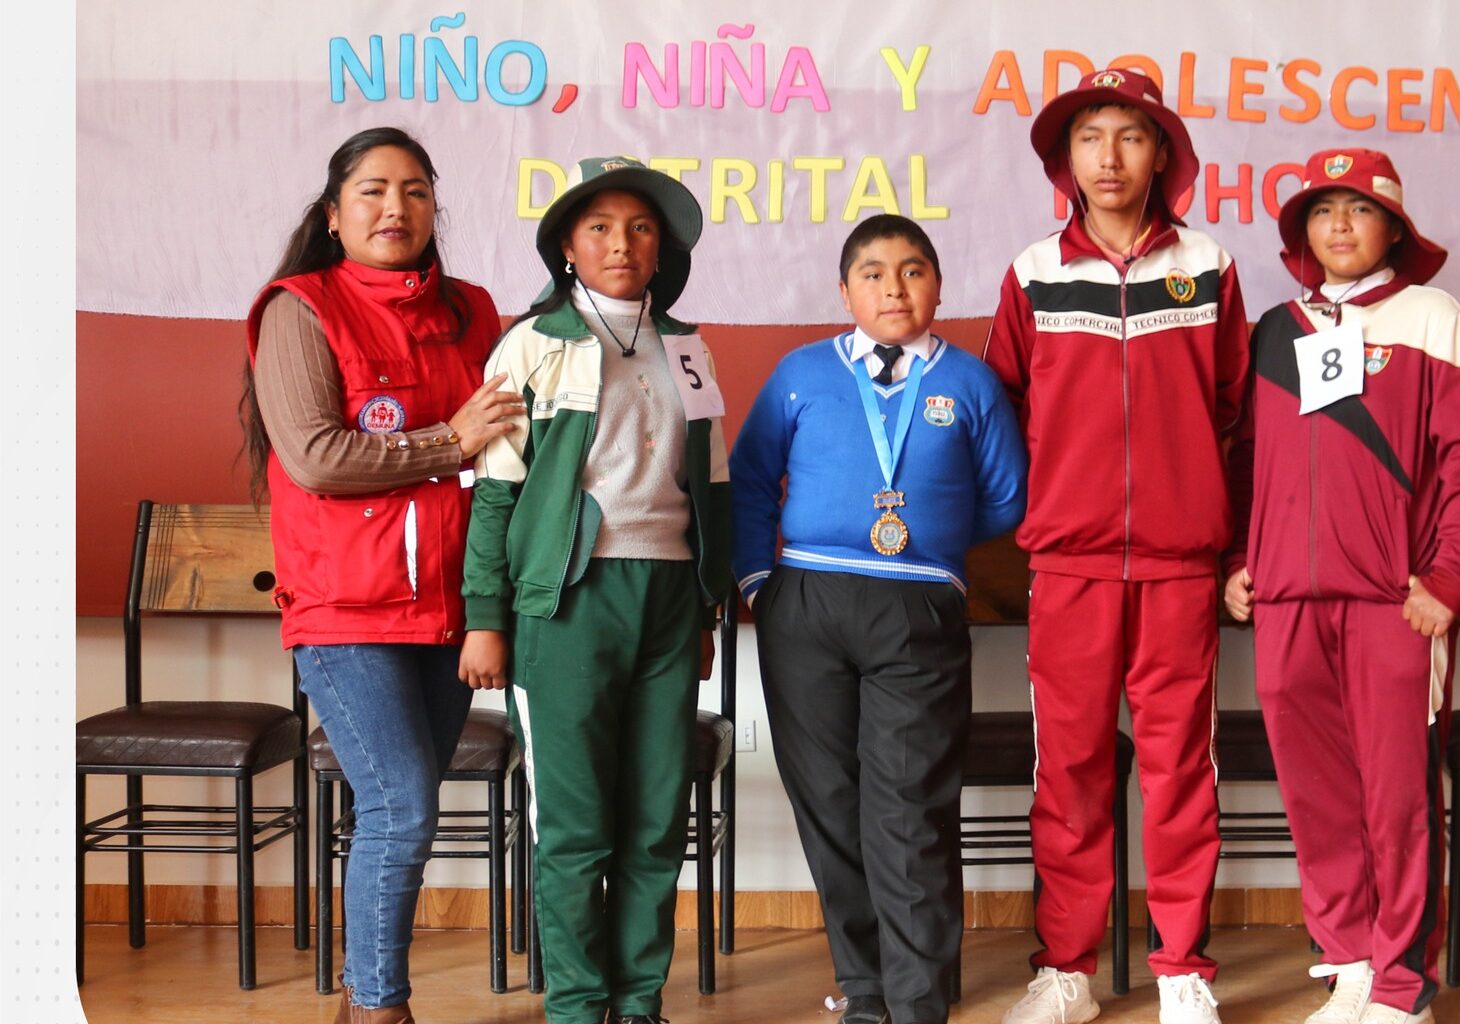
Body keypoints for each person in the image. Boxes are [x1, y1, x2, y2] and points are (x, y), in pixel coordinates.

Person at [981, 68, 1251, 1024]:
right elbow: (1001, 412)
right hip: (1069, 569)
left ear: (1161, 154)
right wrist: (1046, 519)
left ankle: (1182, 970)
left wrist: (1221, 540)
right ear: (1066, 159)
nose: (1109, 156)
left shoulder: (1209, 266)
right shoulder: (1033, 273)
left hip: (1181, 568)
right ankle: (1067, 972)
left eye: (1130, 136)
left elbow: (1234, 413)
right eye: (1090, 137)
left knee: (1182, 773)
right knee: (1070, 775)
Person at [241, 126, 518, 1024]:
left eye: (415, 190)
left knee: (400, 811)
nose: (395, 207)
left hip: (449, 607)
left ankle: (363, 1000)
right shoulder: (299, 309)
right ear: (333, 214)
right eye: (372, 190)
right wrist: (448, 441)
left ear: (435, 207)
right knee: (402, 806)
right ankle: (377, 1008)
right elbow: (317, 457)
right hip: (344, 609)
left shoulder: (474, 310)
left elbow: (507, 447)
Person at [730, 214, 1027, 1024]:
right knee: (828, 800)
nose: (894, 288)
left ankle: (918, 996)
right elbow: (749, 478)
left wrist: (931, 538)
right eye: (873, 273)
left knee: (910, 804)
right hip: (807, 602)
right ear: (845, 291)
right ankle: (864, 988)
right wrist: (760, 582)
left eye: (912, 271)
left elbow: (1008, 496)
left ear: (938, 284)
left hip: (917, 604)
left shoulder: (969, 382)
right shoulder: (800, 374)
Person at [1223, 149, 1460, 1024]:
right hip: (1287, 603)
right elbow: (1248, 462)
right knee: (1317, 795)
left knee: (1397, 795)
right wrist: (1240, 560)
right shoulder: (1275, 329)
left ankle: (1402, 984)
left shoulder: (1435, 318)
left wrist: (1451, 578)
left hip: (1395, 603)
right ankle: (1349, 961)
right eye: (1322, 209)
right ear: (1302, 232)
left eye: (1360, 209)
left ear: (1395, 229)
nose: (1339, 225)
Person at [459, 155, 731, 1024]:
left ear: (663, 249)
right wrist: (485, 618)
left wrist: (706, 609)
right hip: (569, 603)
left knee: (655, 820)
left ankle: (638, 1002)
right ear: (567, 247)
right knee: (576, 827)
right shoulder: (533, 344)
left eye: (641, 227)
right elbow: (496, 492)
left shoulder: (688, 347)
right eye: (601, 227)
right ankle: (579, 1008)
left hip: (668, 600)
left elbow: (711, 487)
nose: (622, 243)